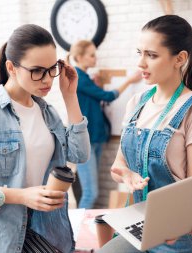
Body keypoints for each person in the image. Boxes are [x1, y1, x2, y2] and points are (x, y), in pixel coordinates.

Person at [0, 24, 90, 253]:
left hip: (29, 230)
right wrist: (21, 196)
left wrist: (70, 96)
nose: (47, 80)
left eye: (52, 69)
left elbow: (79, 155)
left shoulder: (47, 113)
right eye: (37, 70)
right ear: (11, 67)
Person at [99, 15, 192, 253]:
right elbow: (118, 165)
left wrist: (178, 222)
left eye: (151, 55)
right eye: (139, 53)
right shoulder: (136, 103)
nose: (141, 64)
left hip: (181, 234)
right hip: (139, 225)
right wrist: (125, 175)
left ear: (180, 58)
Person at [67, 40, 142, 209]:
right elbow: (108, 96)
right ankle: (76, 232)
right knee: (91, 193)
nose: (95, 59)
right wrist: (130, 81)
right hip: (86, 141)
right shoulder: (77, 77)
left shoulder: (85, 77)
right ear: (79, 57)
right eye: (91, 55)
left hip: (95, 138)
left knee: (91, 191)